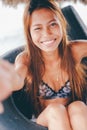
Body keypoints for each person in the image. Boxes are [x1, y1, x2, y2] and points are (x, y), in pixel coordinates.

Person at [0, 0, 87, 129]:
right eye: (38, 28)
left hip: (76, 116)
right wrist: (6, 80)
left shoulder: (75, 50)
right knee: (56, 110)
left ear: (61, 24)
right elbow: (18, 78)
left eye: (52, 24)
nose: (46, 33)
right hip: (44, 119)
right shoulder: (26, 59)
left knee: (78, 106)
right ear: (29, 33)